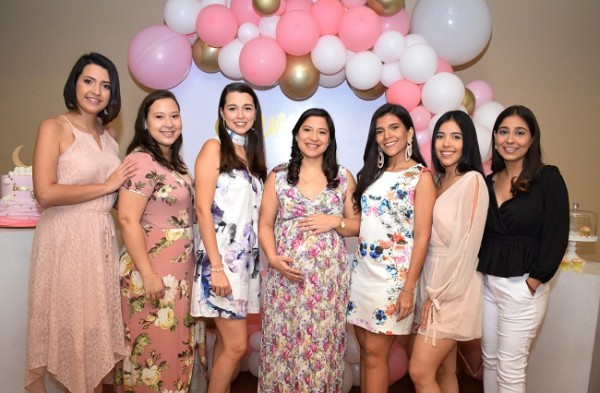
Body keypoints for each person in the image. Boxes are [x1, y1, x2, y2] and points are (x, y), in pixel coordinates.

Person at [25, 52, 137, 393]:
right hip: (64, 238)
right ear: (74, 84)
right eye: (88, 81)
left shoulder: (110, 137)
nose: (96, 91)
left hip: (100, 239)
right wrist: (107, 185)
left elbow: (116, 197)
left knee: (95, 329)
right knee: (67, 324)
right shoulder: (53, 126)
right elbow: (44, 193)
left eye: (105, 85)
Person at [257, 108, 360, 391]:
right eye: (308, 130)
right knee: (284, 343)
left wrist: (334, 221)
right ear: (296, 134)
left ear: (330, 140)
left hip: (327, 284)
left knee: (321, 345)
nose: (314, 137)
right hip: (286, 278)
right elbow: (264, 224)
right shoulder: (277, 177)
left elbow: (357, 225)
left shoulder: (343, 177)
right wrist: (275, 260)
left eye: (322, 132)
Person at [477, 105, 569, 393]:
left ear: (532, 139)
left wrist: (534, 281)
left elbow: (557, 234)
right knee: (489, 363)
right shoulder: (488, 181)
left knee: (511, 371)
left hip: (523, 288)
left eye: (519, 132)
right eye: (503, 132)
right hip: (488, 286)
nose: (510, 139)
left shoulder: (548, 178)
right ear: (494, 138)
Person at [347, 103, 436, 392]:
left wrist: (409, 288)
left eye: (394, 128)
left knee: (375, 353)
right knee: (366, 351)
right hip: (362, 274)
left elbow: (422, 236)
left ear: (410, 132)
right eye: (380, 131)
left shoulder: (420, 177)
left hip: (393, 281)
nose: (387, 136)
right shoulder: (372, 175)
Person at [115, 90, 196, 392]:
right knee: (152, 353)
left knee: (174, 348)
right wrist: (148, 274)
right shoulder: (141, 160)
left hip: (178, 274)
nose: (169, 123)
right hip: (150, 271)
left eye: (174, 115)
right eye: (159, 116)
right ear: (145, 123)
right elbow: (127, 219)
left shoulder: (174, 163)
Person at [190, 82, 266, 393]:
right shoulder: (213, 148)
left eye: (247, 108)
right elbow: (202, 209)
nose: (240, 114)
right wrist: (217, 267)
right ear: (222, 113)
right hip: (220, 263)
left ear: (255, 113)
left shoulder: (252, 155)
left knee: (225, 344)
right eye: (232, 108)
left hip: (243, 265)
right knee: (236, 347)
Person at [409, 110, 489, 393]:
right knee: (444, 370)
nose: (446, 143)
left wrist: (438, 294)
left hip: (451, 288)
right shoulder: (439, 182)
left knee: (419, 371)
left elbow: (466, 247)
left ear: (467, 142)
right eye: (440, 136)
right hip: (432, 279)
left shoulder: (473, 181)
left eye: (456, 136)